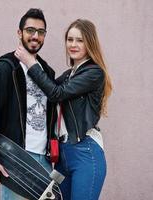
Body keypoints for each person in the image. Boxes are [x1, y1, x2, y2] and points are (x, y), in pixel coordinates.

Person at [15, 19, 112, 200]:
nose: (73, 45)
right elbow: (48, 90)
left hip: (85, 151)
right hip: (62, 156)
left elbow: (56, 93)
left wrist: (31, 63)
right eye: (70, 39)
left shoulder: (94, 73)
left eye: (80, 40)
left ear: (89, 43)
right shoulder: (69, 75)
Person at [0, 8, 56, 200]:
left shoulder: (47, 74)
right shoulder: (6, 69)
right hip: (16, 159)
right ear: (19, 33)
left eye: (41, 32)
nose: (35, 36)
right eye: (30, 30)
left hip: (44, 162)